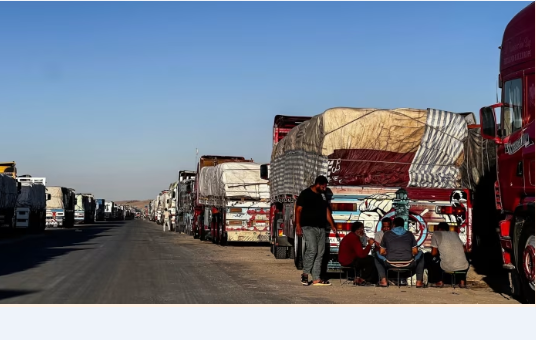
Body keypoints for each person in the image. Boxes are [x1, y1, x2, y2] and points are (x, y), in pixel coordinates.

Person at [296, 175, 337, 286]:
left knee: (320, 253)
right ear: (318, 184)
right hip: (308, 227)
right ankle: (305, 274)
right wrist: (298, 225)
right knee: (312, 250)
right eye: (323, 187)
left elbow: (327, 212)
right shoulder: (305, 194)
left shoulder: (322, 196)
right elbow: (298, 210)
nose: (325, 189)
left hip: (321, 228)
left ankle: (316, 278)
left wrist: (332, 225)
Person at [374, 217, 425, 288]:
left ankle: (383, 280)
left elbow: (381, 252)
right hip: (408, 263)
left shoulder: (387, 234)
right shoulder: (410, 234)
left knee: (376, 254)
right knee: (421, 254)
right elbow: (415, 251)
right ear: (403, 225)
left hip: (390, 263)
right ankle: (419, 282)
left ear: (393, 225)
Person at [429, 222, 470, 288]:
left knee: (430, 257)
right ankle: (462, 281)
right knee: (466, 257)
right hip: (463, 267)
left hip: (447, 267)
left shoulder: (436, 234)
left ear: (439, 228)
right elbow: (465, 250)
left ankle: (439, 281)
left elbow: (433, 253)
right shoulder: (455, 234)